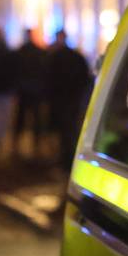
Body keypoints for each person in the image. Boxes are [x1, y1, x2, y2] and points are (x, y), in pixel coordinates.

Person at [45, 30, 92, 169]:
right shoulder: (76, 56)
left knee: (64, 130)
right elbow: (85, 78)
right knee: (71, 129)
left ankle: (66, 158)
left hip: (61, 99)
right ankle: (69, 158)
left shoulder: (55, 56)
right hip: (73, 98)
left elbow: (49, 78)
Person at [13, 28, 47, 159]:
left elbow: (15, 71)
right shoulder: (39, 52)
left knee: (21, 118)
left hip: (23, 90)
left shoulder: (20, 52)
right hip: (35, 90)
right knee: (36, 118)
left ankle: (16, 145)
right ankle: (36, 146)